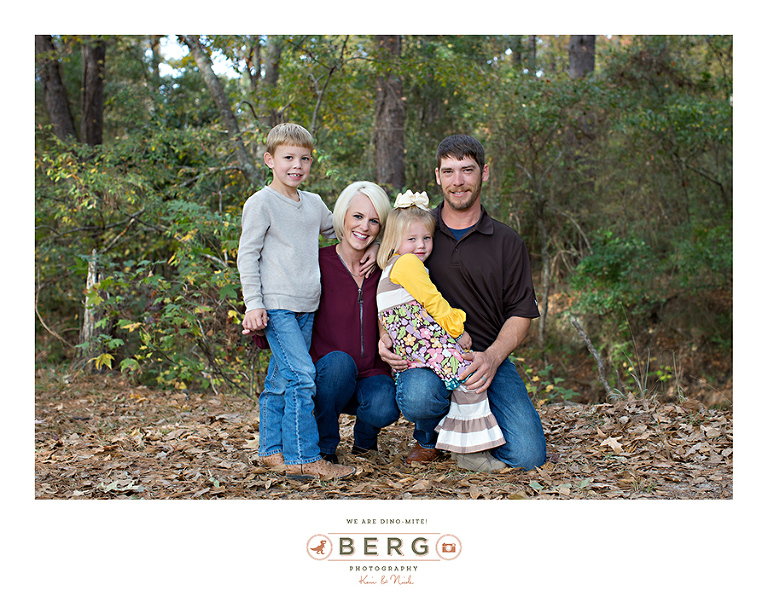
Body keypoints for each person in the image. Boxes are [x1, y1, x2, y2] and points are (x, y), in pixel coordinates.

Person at [379, 134, 547, 472]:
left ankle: (463, 439)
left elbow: (522, 313)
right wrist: (385, 337)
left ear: (484, 173)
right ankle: (430, 436)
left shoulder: (506, 242)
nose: (458, 181)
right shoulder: (417, 233)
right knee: (419, 397)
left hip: (484, 357)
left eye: (467, 170)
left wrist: (492, 357)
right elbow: (384, 285)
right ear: (438, 175)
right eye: (449, 171)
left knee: (528, 456)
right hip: (428, 357)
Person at [237, 122, 356, 480]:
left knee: (279, 380)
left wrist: (376, 246)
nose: (297, 165)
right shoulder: (261, 203)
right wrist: (253, 303)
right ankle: (304, 457)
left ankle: (271, 450)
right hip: (276, 305)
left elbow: (344, 233)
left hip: (308, 305)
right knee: (303, 377)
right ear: (269, 160)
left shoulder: (314, 204)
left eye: (304, 158)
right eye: (288, 157)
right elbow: (248, 254)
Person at [376, 190, 505, 455]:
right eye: (411, 239)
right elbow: (433, 301)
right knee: (469, 380)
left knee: (459, 381)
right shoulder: (408, 263)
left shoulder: (392, 266)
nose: (421, 245)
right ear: (394, 240)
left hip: (415, 351)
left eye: (426, 237)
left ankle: (451, 440)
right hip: (427, 344)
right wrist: (457, 330)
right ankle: (474, 451)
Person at [310, 181, 400, 462]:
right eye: (358, 217)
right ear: (343, 217)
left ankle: (364, 442)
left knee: (385, 406)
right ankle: (325, 448)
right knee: (339, 365)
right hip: (328, 375)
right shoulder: (317, 262)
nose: (364, 227)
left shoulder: (388, 267)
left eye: (374, 221)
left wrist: (382, 248)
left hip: (372, 373)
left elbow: (421, 233)